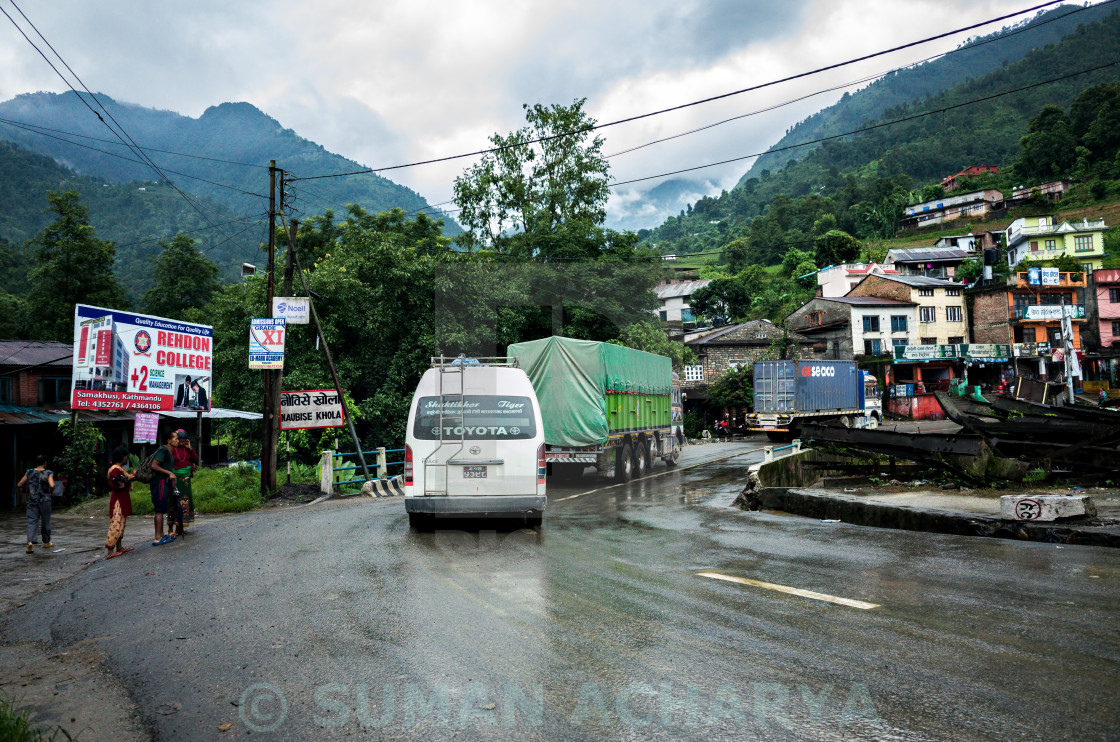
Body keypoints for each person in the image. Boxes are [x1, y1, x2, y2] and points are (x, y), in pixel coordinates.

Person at [17, 455, 54, 554]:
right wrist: (52, 491)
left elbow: (20, 483)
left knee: (31, 521)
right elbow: (52, 485)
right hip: (45, 500)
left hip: (32, 500)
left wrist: (21, 490)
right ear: (45, 463)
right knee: (45, 521)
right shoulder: (49, 473)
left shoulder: (29, 472)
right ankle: (46, 542)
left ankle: (30, 542)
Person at [105, 445, 135, 559]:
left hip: (121, 497)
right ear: (122, 457)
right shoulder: (115, 469)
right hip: (118, 499)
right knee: (116, 523)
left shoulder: (117, 468)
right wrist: (129, 478)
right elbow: (115, 484)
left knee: (121, 523)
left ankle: (119, 547)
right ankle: (110, 550)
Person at [149, 431, 179, 546]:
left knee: (162, 508)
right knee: (159, 509)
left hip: (165, 482)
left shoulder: (169, 452)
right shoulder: (163, 450)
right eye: (175, 438)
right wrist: (168, 473)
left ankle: (161, 534)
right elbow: (154, 465)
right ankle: (157, 537)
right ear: (169, 440)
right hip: (159, 482)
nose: (177, 440)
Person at [171, 429, 199, 529]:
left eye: (184, 441)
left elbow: (196, 460)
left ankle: (181, 527)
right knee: (176, 501)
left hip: (186, 480)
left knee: (185, 500)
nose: (182, 443)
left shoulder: (187, 449)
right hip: (176, 478)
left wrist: (190, 448)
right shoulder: (172, 449)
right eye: (180, 440)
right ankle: (173, 527)